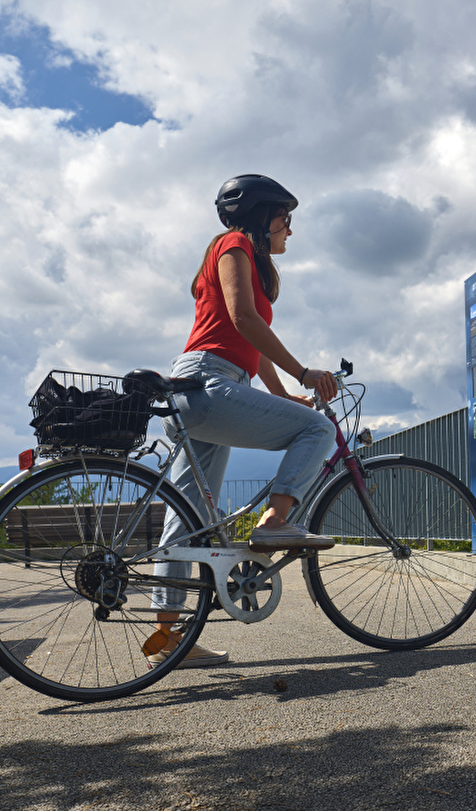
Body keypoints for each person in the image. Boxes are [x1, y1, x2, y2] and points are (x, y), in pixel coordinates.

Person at [146, 174, 340, 669]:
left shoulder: (245, 259)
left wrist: (283, 394)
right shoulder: (232, 244)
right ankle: (275, 522)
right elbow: (243, 320)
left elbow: (250, 342)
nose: (289, 231)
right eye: (285, 219)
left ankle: (166, 638)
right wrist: (305, 372)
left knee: (186, 519)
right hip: (210, 387)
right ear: (260, 216)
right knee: (319, 430)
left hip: (202, 389)